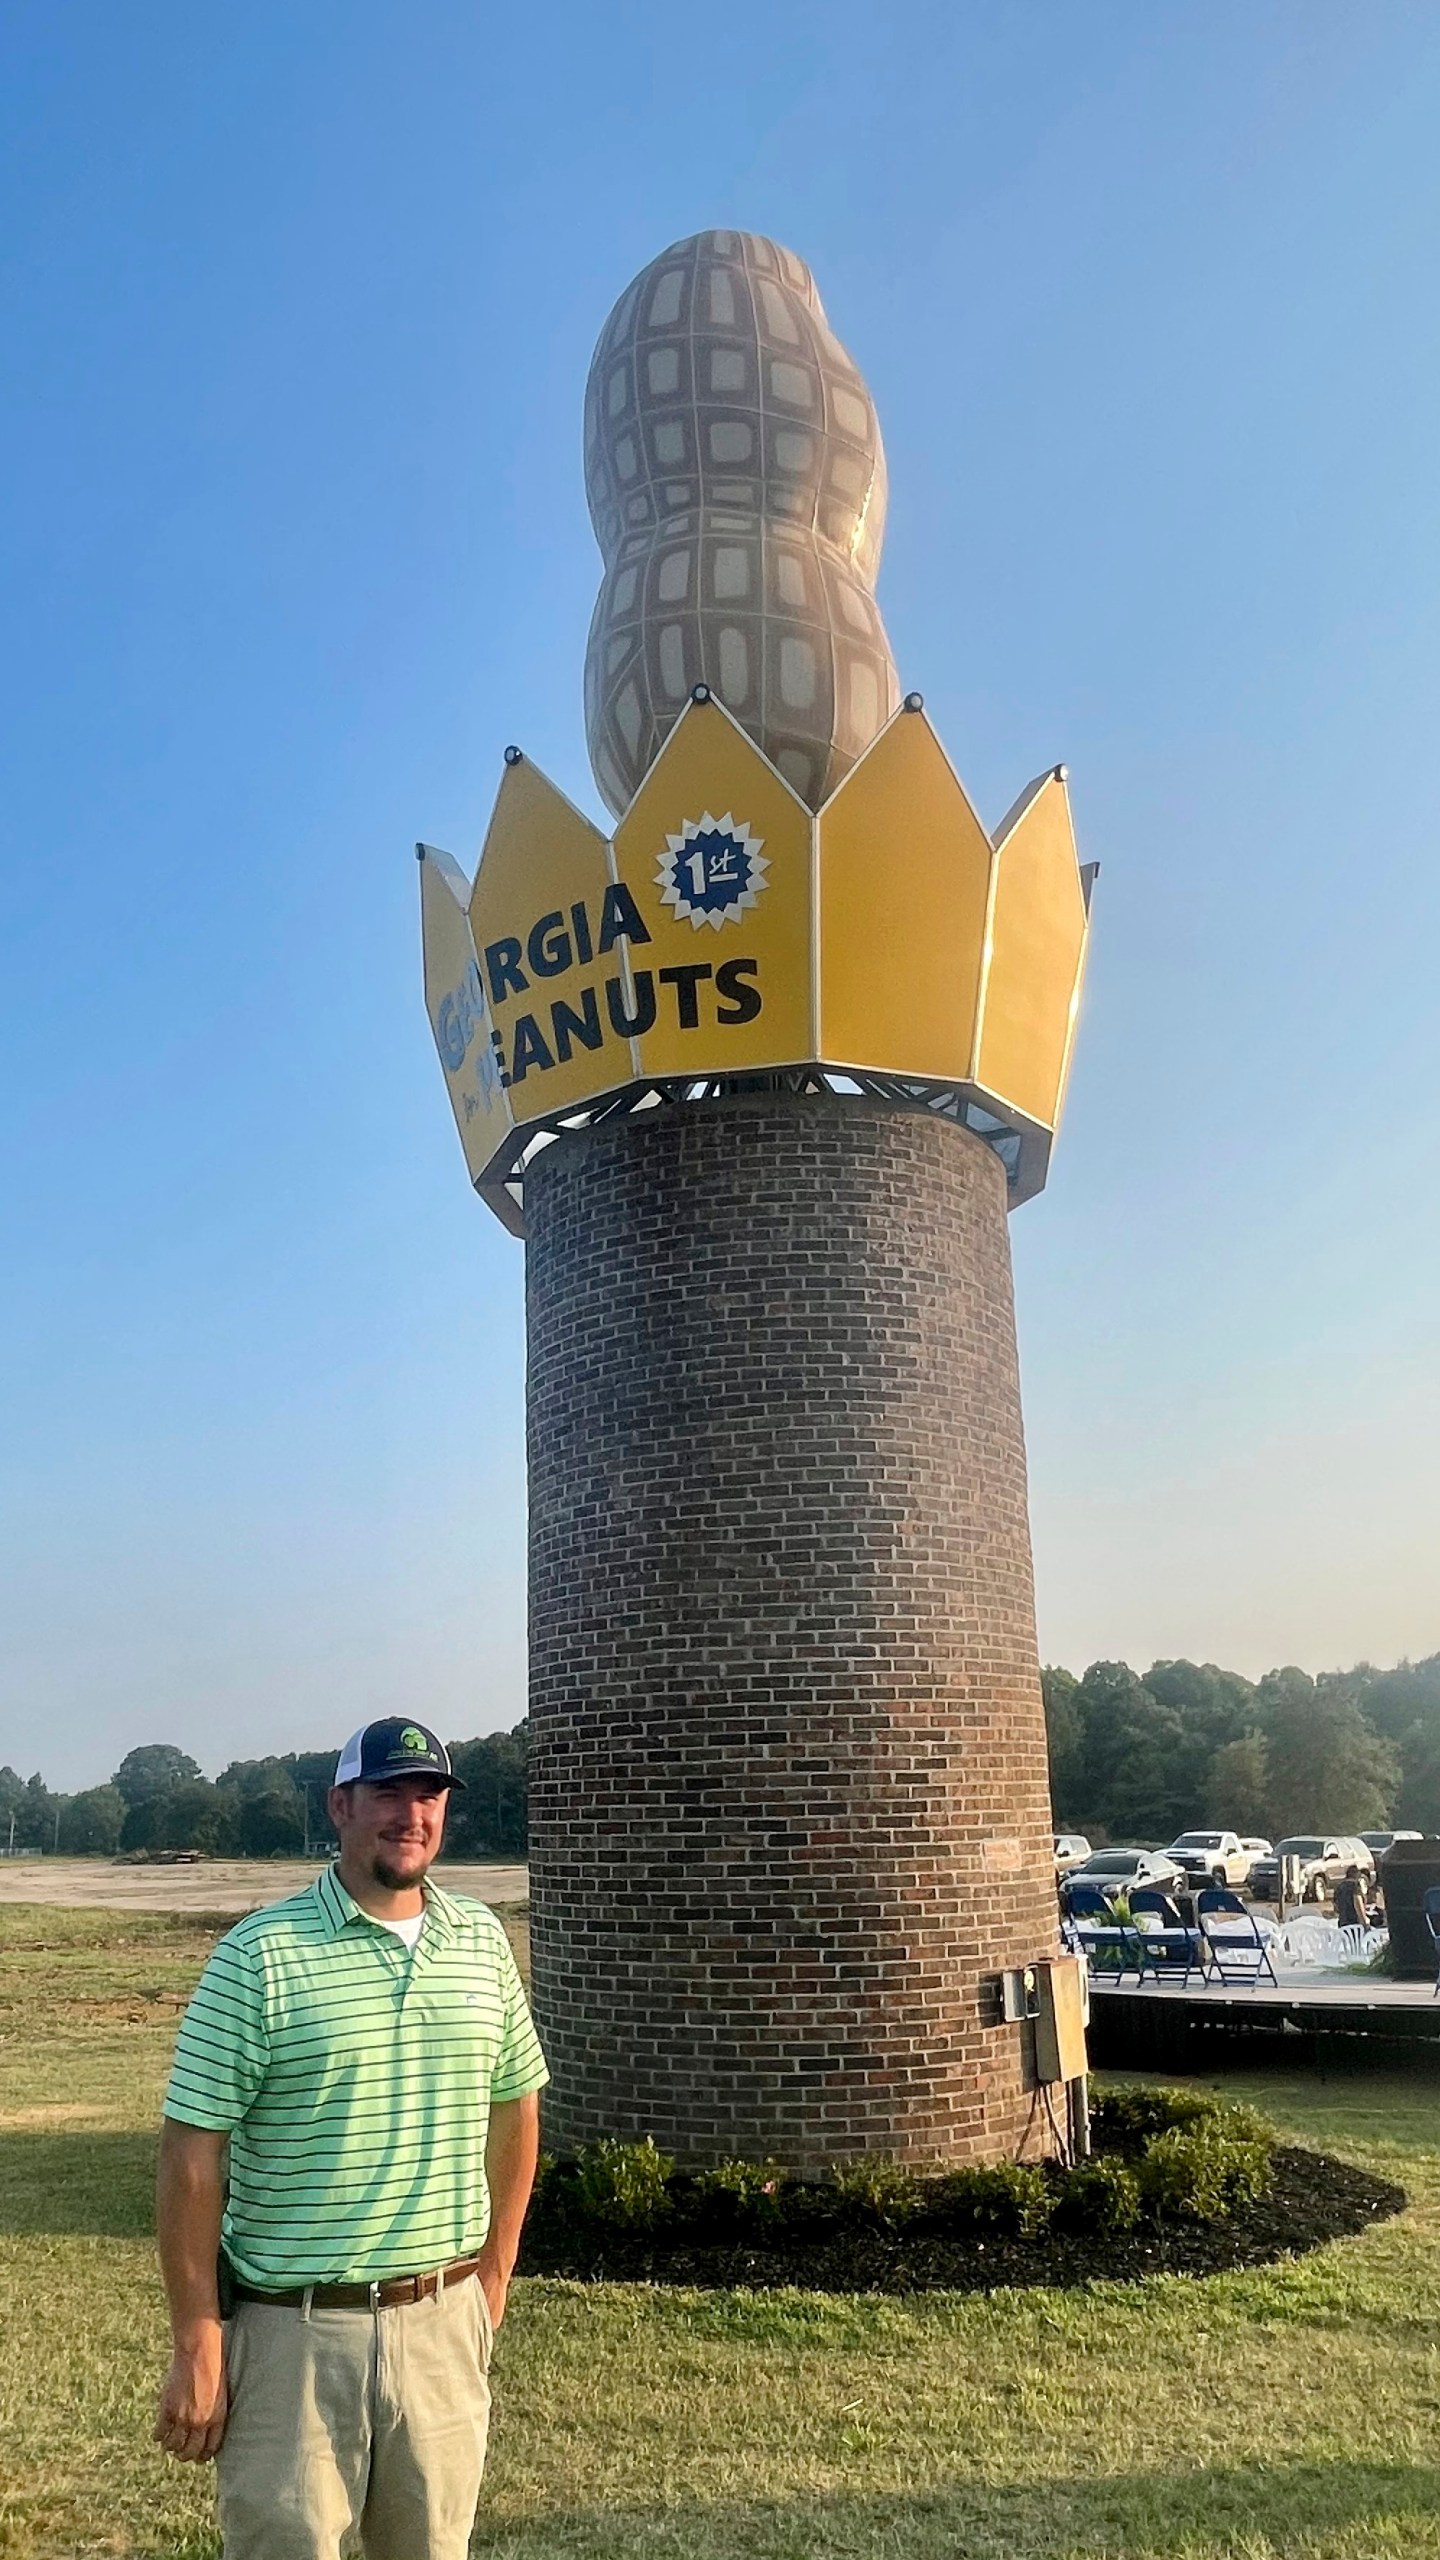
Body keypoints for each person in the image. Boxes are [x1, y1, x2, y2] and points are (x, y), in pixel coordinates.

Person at [153, 1716, 548, 2560]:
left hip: (443, 2326)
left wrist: (495, 2273)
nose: (412, 1814)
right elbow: (192, 2157)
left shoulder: (480, 1943)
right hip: (293, 2340)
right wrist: (198, 2339)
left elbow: (517, 2109)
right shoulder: (260, 1955)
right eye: (388, 1793)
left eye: (429, 1794)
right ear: (340, 1805)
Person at [1334, 1864, 1371, 1931]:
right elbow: (1358, 1906)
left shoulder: (1339, 1887)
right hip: (1354, 1925)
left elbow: (1336, 1908)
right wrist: (1364, 1924)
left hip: (1342, 1926)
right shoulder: (1355, 1887)